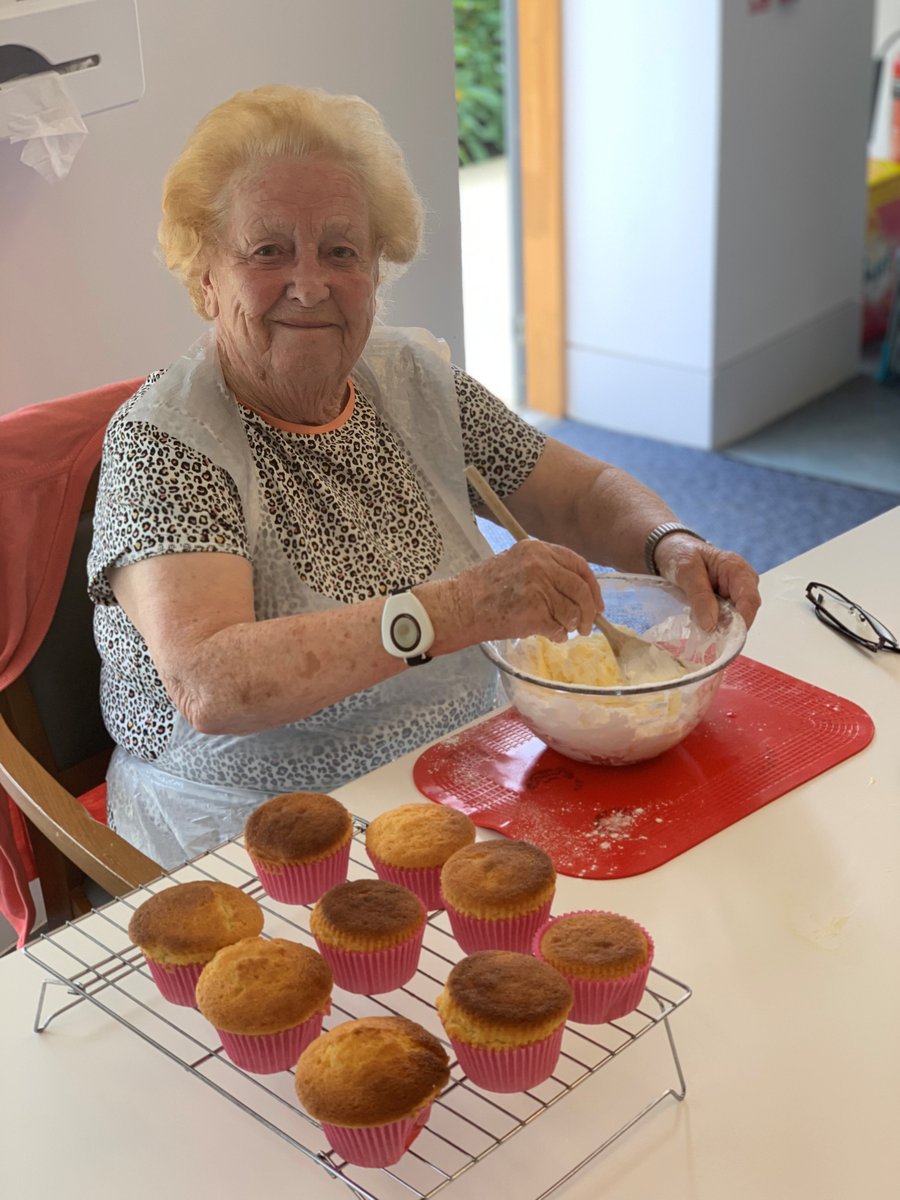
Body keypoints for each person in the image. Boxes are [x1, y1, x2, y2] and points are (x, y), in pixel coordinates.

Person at [87, 85, 760, 869]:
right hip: (254, 838)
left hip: (461, 778)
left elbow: (575, 493)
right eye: (267, 251)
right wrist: (457, 611)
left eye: (341, 251)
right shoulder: (165, 443)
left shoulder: (408, 379)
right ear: (205, 275)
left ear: (375, 269)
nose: (310, 283)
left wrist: (667, 544)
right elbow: (213, 684)